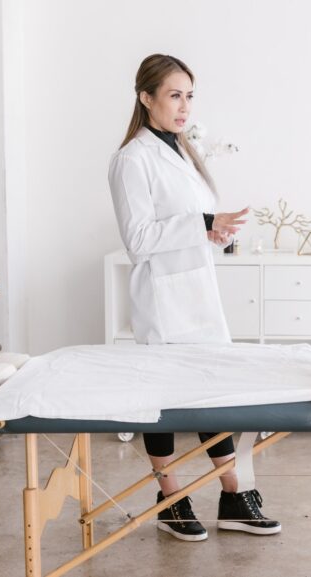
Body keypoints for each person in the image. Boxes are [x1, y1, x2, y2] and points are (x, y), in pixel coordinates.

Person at [108, 53, 279, 541]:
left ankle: (233, 495)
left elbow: (189, 223)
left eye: (189, 96)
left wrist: (217, 232)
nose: (184, 107)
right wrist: (204, 224)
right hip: (163, 299)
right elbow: (138, 239)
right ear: (146, 98)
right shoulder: (131, 159)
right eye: (174, 96)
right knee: (163, 398)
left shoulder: (183, 152)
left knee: (214, 391)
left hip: (198, 292)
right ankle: (171, 497)